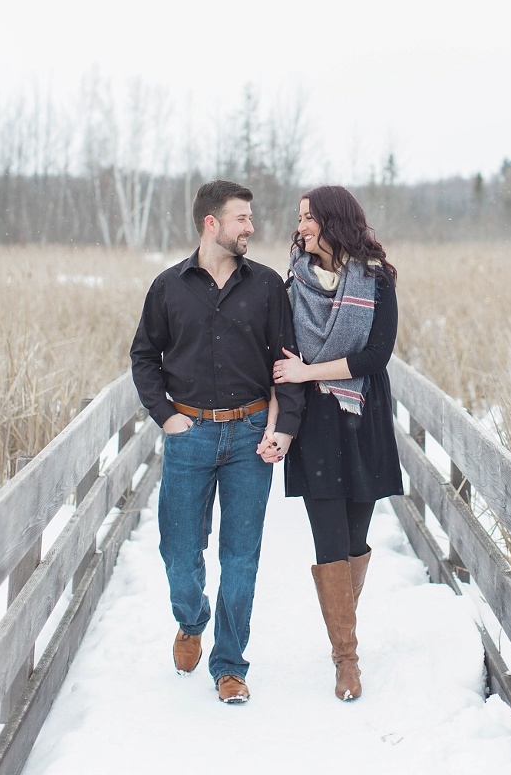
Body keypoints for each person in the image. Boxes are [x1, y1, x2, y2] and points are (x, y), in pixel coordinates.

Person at [130, 180, 304, 705]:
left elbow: (288, 364)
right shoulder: (168, 287)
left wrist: (283, 427)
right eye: (242, 218)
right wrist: (165, 417)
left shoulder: (269, 286)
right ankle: (191, 619)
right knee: (178, 552)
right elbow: (144, 357)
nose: (251, 227)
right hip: (189, 435)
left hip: (251, 435)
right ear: (212, 223)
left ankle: (229, 663)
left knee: (241, 557)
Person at [271, 185, 403, 701]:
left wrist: (309, 370)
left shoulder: (376, 281)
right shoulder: (292, 285)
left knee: (353, 541)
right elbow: (280, 365)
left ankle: (342, 630)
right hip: (319, 426)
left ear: (332, 221)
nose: (300, 226)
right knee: (329, 541)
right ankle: (346, 660)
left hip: (363, 416)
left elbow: (376, 356)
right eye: (300, 218)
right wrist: (279, 420)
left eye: (308, 218)